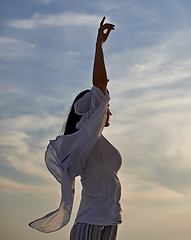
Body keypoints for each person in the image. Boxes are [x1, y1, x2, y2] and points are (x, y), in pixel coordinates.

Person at [29, 17, 122, 240]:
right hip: (92, 224)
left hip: (106, 222)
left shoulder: (91, 139)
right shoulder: (86, 132)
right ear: (90, 111)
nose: (107, 111)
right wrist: (98, 47)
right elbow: (100, 84)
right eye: (104, 107)